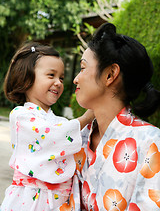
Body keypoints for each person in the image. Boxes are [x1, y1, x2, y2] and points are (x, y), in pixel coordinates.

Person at [59, 22, 160, 211]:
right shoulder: (79, 137)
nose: (75, 79)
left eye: (82, 68)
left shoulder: (151, 142)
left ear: (110, 75)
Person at [1, 42, 94, 211]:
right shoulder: (21, 116)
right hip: (30, 199)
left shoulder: (58, 121)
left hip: (60, 201)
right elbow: (51, 136)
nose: (58, 82)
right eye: (51, 75)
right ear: (27, 78)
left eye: (61, 77)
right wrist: (87, 117)